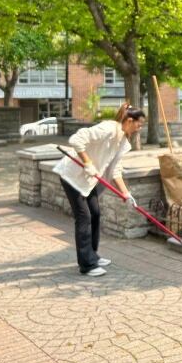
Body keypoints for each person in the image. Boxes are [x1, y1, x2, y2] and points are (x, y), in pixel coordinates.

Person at [54, 103, 146, 277]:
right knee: (84, 217)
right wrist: (87, 163)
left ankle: (93, 255)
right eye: (139, 124)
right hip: (73, 176)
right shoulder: (108, 128)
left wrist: (126, 193)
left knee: (95, 213)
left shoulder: (123, 142)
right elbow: (76, 140)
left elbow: (116, 170)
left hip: (88, 181)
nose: (139, 128)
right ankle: (86, 264)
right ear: (129, 120)